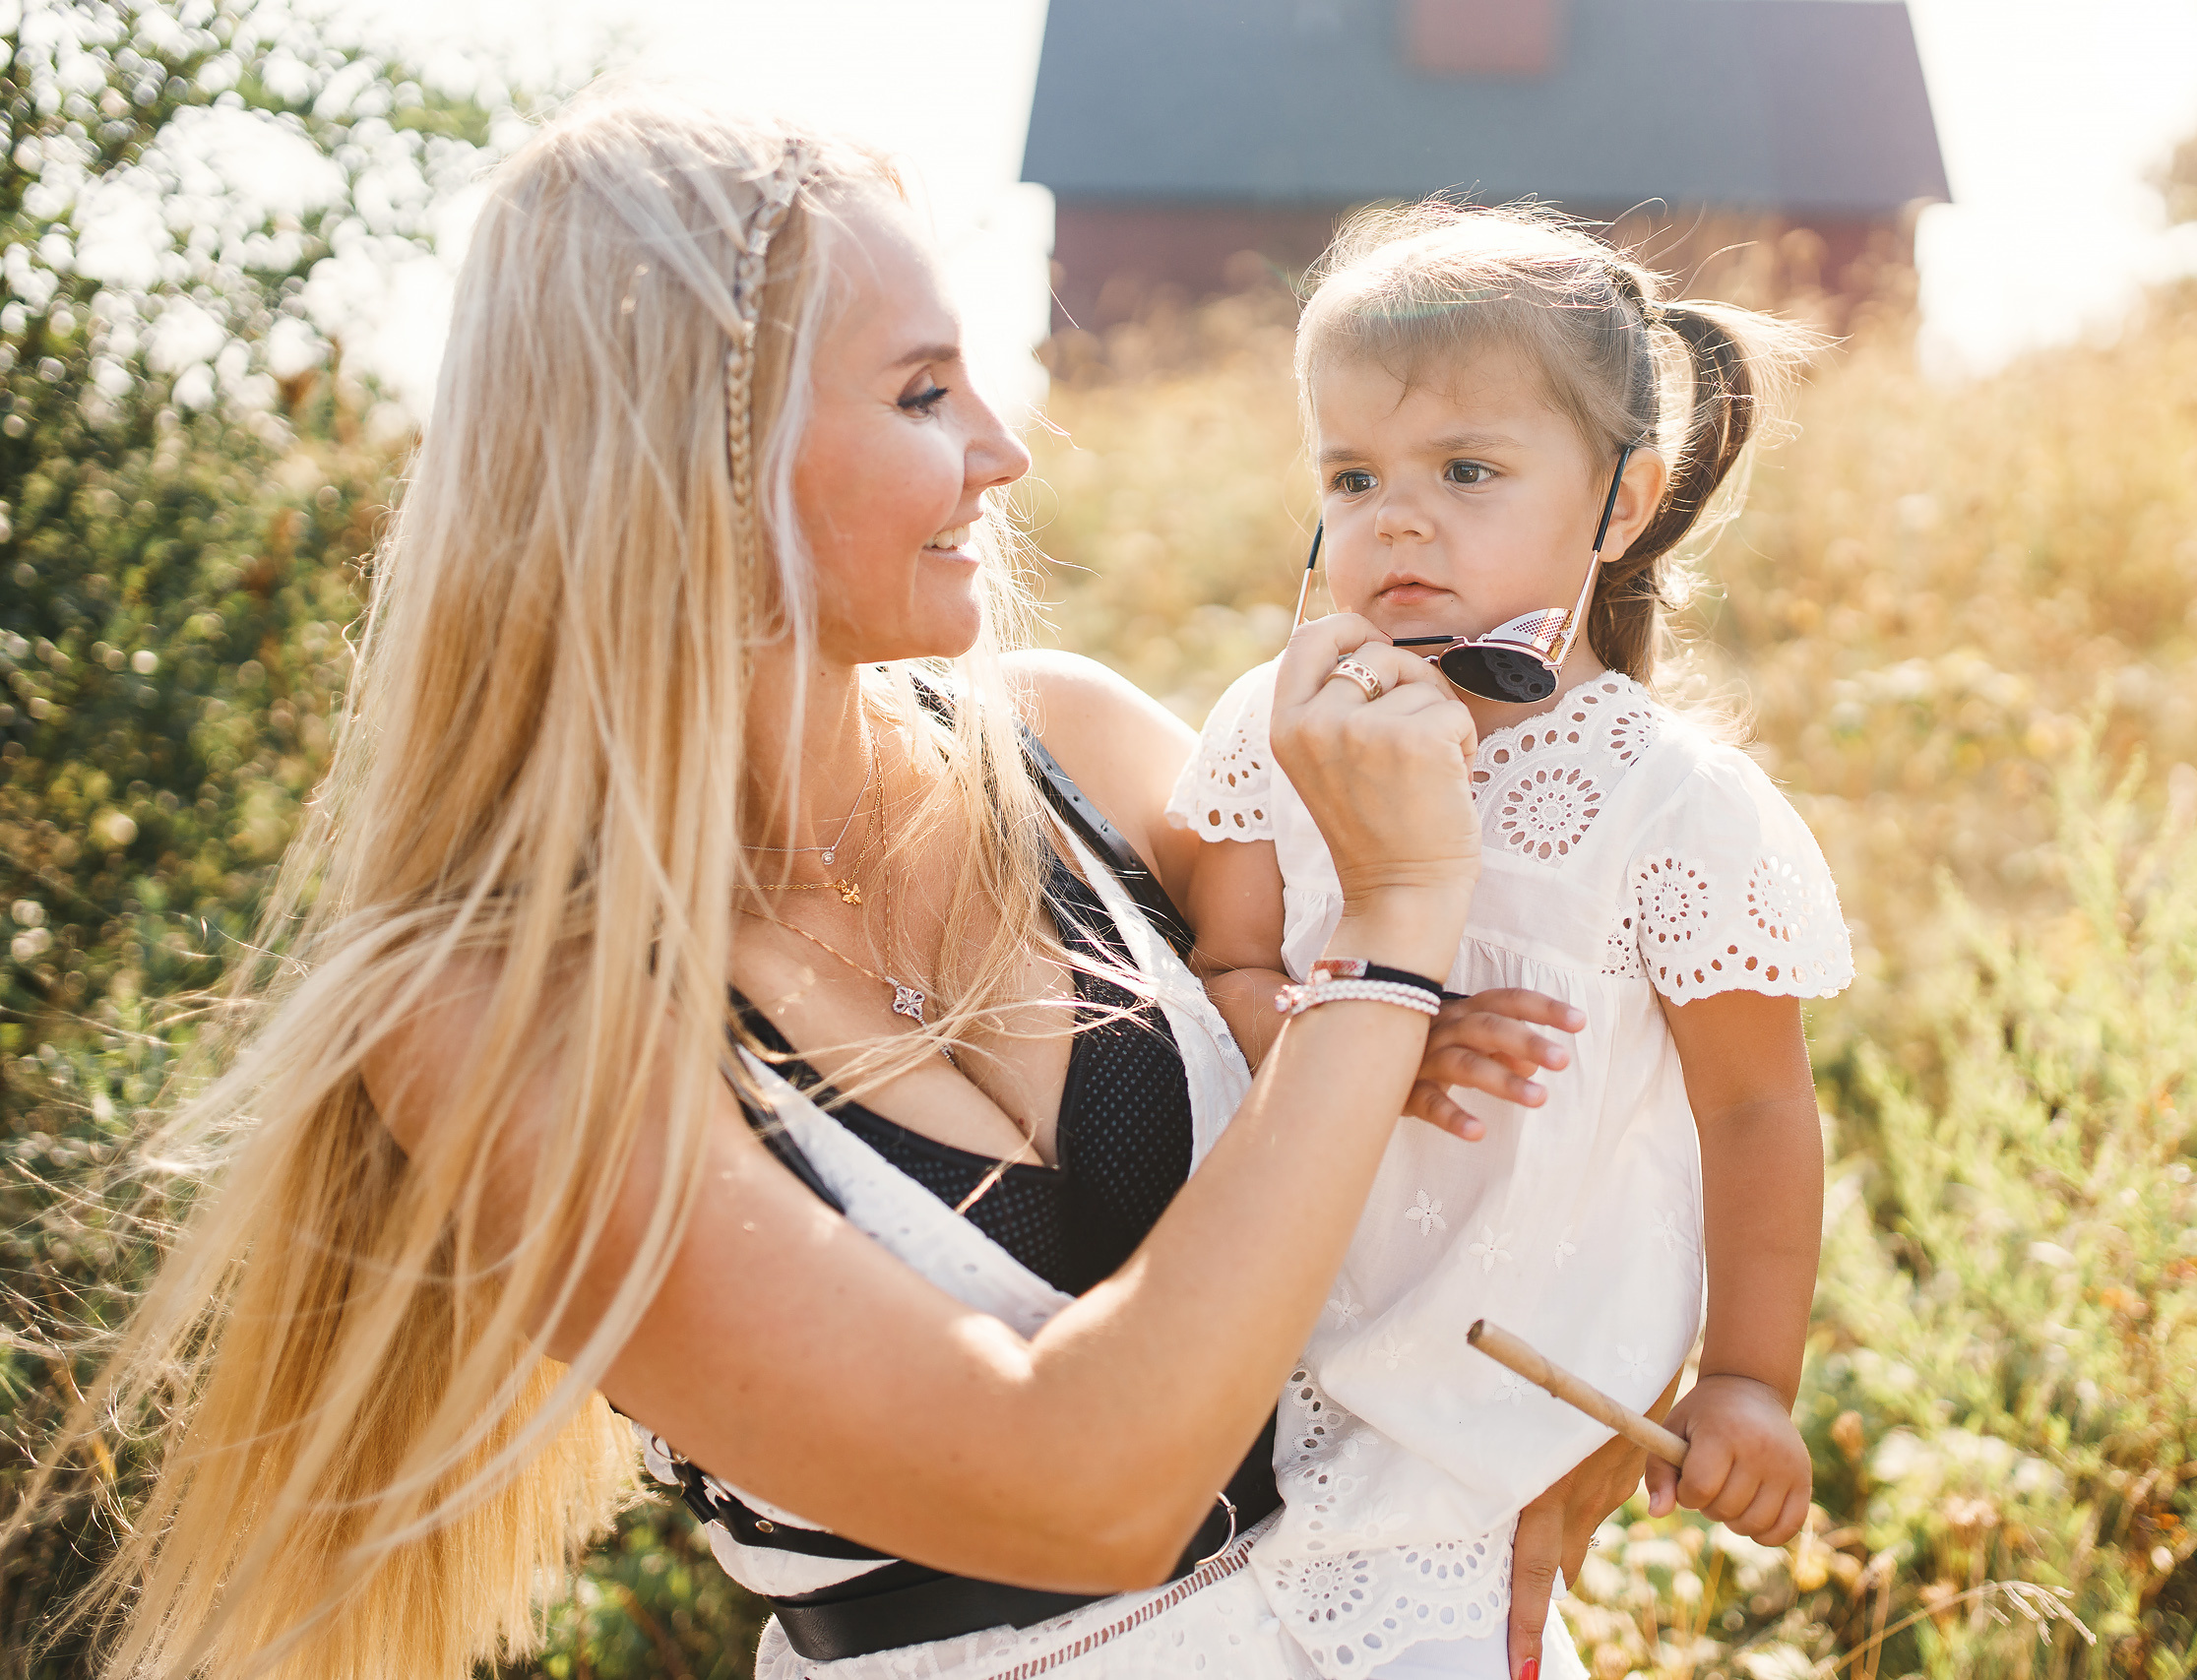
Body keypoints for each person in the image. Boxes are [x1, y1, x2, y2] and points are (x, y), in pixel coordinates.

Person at [51, 93, 1600, 1680]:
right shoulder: (495, 1012)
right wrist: (1395, 927)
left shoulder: (1079, 747)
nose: (1002, 450)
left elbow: (1578, 1079)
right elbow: (1088, 1494)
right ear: (690, 465)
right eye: (924, 392)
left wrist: (1580, 1443)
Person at [1166, 203, 1854, 1680]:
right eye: (1352, 477)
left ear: (1620, 504)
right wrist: (1347, 1037)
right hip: (1249, 1370)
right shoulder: (1267, 735)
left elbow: (1755, 1107)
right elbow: (1219, 972)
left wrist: (1746, 1380)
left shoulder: (1672, 808)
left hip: (1499, 1421)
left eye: (1466, 471)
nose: (1395, 519)